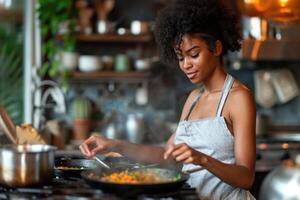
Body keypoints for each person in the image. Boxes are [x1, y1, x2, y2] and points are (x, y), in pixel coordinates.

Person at [79, 0, 256, 199]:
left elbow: (246, 177)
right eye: (181, 57)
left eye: (194, 54)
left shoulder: (238, 97)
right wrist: (115, 145)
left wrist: (202, 159)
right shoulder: (193, 99)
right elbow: (166, 156)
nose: (186, 64)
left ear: (216, 48)